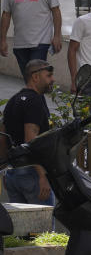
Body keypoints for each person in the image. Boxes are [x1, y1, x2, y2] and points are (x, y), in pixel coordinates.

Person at [2, 59, 56, 207]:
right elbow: (31, 139)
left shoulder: (13, 100)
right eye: (49, 75)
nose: (53, 79)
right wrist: (42, 174)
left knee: (22, 227)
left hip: (13, 174)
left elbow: (2, 136)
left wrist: (5, 171)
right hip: (33, 175)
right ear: (35, 77)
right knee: (40, 229)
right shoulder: (35, 100)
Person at [1, 0, 63, 77]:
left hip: (41, 42)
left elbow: (56, 11)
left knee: (36, 79)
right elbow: (6, 14)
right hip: (20, 43)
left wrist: (57, 36)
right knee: (29, 82)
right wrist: (2, 40)